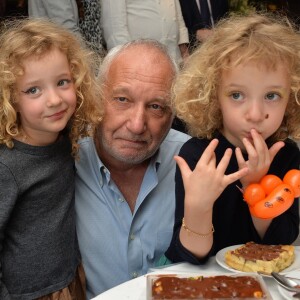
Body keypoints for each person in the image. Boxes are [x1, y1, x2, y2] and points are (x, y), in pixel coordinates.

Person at [164, 13, 300, 265]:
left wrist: (256, 187)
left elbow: (283, 241)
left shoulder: (288, 156)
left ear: (291, 98)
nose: (256, 115)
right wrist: (198, 207)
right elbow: (191, 256)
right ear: (213, 96)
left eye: (272, 95)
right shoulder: (199, 156)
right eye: (237, 95)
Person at [75, 39, 191, 297]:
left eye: (155, 107)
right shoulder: (65, 160)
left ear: (173, 113)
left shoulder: (194, 162)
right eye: (123, 99)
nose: (137, 125)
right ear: (97, 96)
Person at [0, 18, 101, 299]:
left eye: (62, 82)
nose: (54, 99)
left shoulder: (65, 136)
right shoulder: (7, 166)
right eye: (34, 90)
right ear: (10, 98)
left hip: (70, 280)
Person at [101, 0, 189, 64]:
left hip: (174, 56)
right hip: (140, 63)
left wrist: (184, 50)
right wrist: (128, 62)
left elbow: (177, 14)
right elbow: (115, 28)